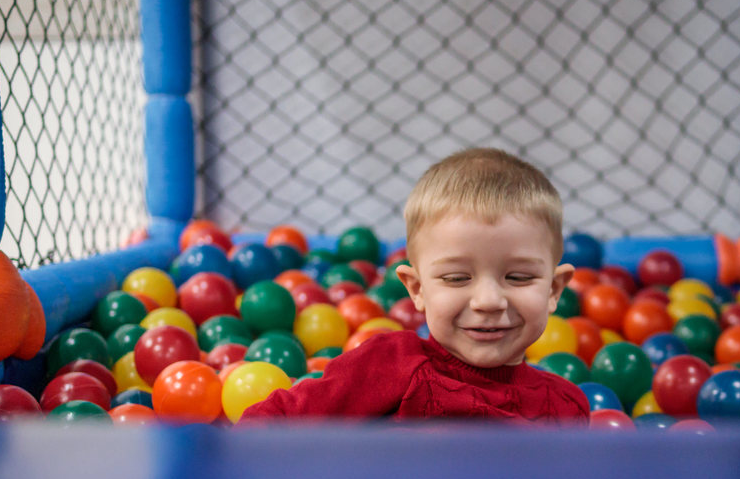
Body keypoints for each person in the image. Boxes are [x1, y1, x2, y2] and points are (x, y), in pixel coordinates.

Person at [241, 148, 590, 424]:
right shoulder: (389, 367)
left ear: (553, 290)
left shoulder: (564, 408)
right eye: (456, 278)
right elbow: (271, 426)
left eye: (518, 277)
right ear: (417, 289)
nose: (488, 301)